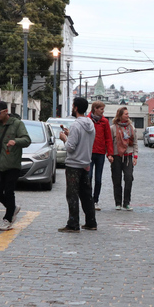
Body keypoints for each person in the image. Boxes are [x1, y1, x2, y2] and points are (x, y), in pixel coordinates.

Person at [0, 102, 31, 231]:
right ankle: (12, 208)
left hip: (12, 163)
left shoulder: (17, 124)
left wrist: (16, 141)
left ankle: (8, 219)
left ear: (5, 111)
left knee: (9, 191)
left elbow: (27, 140)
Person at [58, 97, 97, 232]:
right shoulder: (90, 124)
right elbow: (83, 141)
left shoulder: (76, 124)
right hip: (85, 163)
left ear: (75, 107)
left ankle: (73, 224)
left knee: (72, 194)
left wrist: (64, 138)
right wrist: (71, 135)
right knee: (86, 194)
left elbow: (70, 147)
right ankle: (91, 222)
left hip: (74, 164)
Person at [110, 107, 138, 210]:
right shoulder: (113, 128)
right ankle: (118, 203)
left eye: (128, 114)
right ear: (120, 115)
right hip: (116, 157)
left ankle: (126, 202)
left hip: (128, 157)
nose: (128, 115)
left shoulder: (131, 128)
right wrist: (109, 154)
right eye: (125, 114)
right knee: (116, 180)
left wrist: (135, 156)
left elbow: (135, 143)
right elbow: (110, 143)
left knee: (129, 178)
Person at [88, 101, 114, 210]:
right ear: (95, 109)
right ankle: (88, 200)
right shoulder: (87, 120)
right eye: (101, 109)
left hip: (100, 153)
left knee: (98, 179)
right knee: (88, 177)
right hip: (88, 153)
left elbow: (108, 138)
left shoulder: (104, 122)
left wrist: (110, 154)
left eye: (103, 109)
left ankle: (95, 200)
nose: (103, 111)